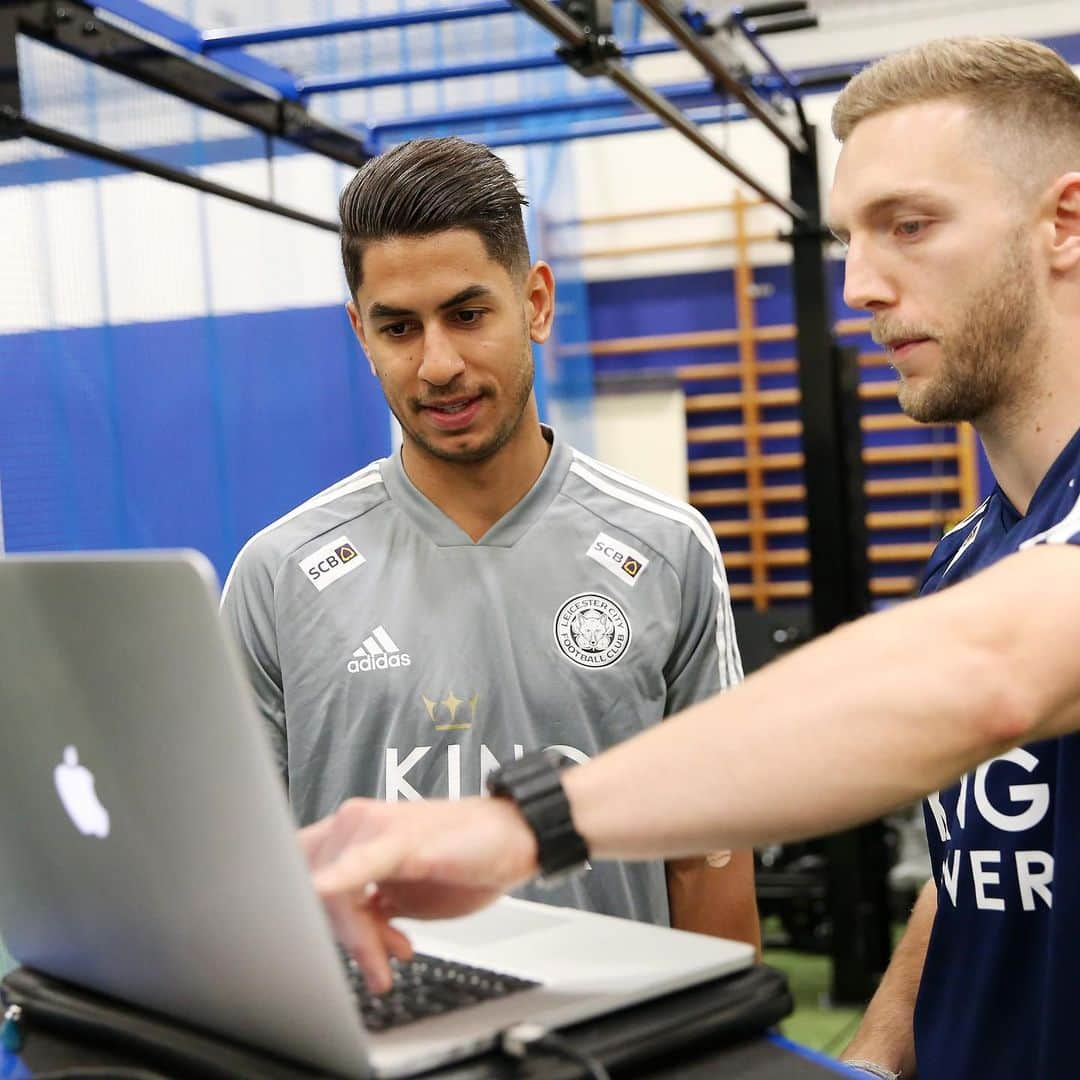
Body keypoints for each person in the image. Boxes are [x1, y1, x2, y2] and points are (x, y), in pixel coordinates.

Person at [296, 36, 1080, 1080]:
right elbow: (980, 868)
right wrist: (881, 1059)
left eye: (910, 226)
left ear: (1065, 221)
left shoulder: (991, 610)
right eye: (850, 236)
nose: (859, 286)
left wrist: (517, 825)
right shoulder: (971, 556)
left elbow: (983, 676)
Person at [221, 137, 759, 946]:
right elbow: (245, 873)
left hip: (607, 1046)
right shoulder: (278, 574)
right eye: (398, 327)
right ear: (361, 335)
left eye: (468, 315)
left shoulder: (668, 548)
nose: (438, 364)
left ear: (535, 303)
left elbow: (706, 857)